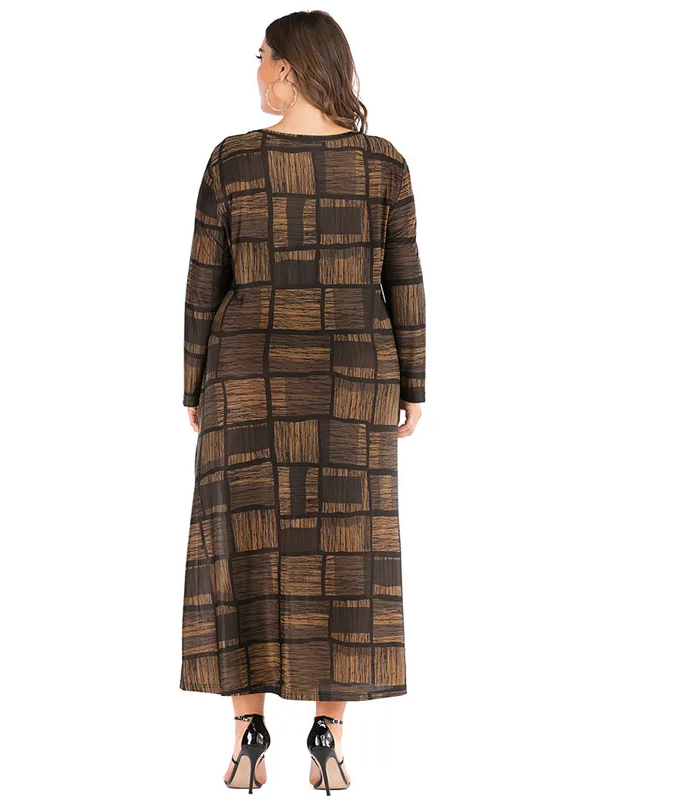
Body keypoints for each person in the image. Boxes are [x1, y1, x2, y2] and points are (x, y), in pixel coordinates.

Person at [179, 10, 426, 793]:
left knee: (243, 546)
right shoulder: (382, 164)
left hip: (247, 375)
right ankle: (329, 736)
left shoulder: (234, 160)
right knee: (347, 551)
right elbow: (405, 281)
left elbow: (204, 281)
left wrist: (193, 381)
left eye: (261, 58)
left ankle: (248, 735)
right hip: (353, 378)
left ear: (287, 68)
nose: (256, 71)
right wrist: (414, 384)